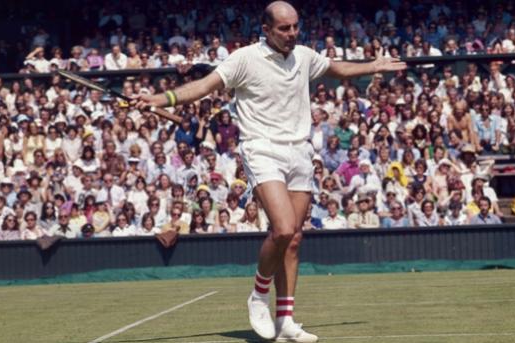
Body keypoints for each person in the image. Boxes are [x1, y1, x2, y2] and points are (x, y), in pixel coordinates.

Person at [134, 2, 405, 341]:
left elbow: (335, 68)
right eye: (284, 28)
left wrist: (372, 65)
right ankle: (259, 294)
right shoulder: (243, 59)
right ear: (267, 29)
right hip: (262, 148)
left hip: (300, 151)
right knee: (282, 228)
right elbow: (203, 87)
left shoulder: (304, 55)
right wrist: (161, 100)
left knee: (293, 240)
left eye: (295, 27)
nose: (292, 34)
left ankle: (285, 321)